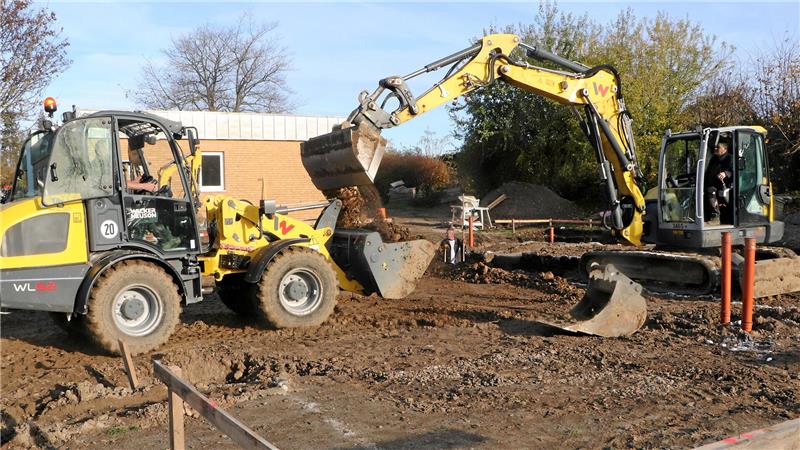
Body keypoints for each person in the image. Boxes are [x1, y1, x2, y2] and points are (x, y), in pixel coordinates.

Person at [705, 142, 734, 223]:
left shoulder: (730, 158)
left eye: (718, 147)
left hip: (725, 185)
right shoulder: (714, 158)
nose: (716, 149)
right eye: (715, 147)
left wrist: (725, 173)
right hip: (712, 183)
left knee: (711, 191)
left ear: (725, 149)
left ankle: (715, 217)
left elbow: (734, 172)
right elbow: (708, 171)